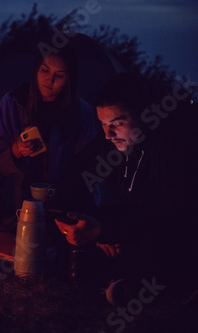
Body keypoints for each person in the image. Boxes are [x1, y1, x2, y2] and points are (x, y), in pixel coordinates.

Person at [53, 73, 198, 303]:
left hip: (174, 231)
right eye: (103, 124)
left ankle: (159, 286)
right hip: (136, 223)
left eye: (118, 123)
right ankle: (115, 277)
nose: (108, 134)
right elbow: (72, 178)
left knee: (152, 248)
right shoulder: (109, 144)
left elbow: (169, 216)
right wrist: (91, 224)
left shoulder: (171, 144)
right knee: (67, 226)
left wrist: (103, 231)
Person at [0, 42, 98, 215]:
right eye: (45, 70)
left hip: (68, 204)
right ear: (36, 70)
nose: (50, 80)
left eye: (60, 75)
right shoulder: (12, 103)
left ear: (69, 79)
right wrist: (16, 149)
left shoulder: (82, 112)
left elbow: (90, 167)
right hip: (25, 204)